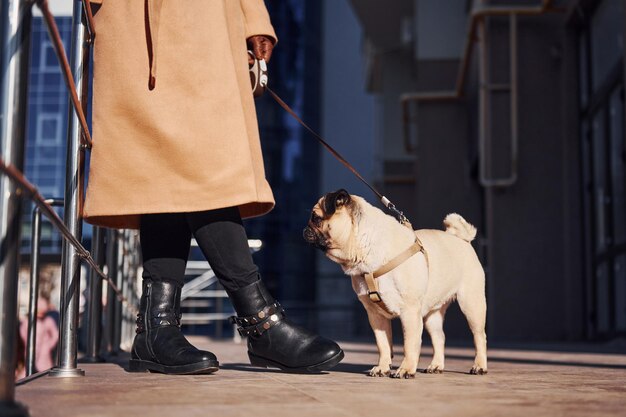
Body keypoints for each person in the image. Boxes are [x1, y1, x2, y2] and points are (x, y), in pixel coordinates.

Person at [83, 0, 343, 374]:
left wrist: (254, 17)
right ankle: (252, 321)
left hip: (209, 28)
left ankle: (160, 331)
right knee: (163, 167)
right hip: (136, 26)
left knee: (202, 167)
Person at [18, 297, 60, 376]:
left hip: (43, 352)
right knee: (28, 368)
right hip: (30, 349)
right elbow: (23, 332)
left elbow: (55, 335)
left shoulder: (47, 321)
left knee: (44, 371)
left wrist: (48, 345)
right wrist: (26, 342)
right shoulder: (27, 321)